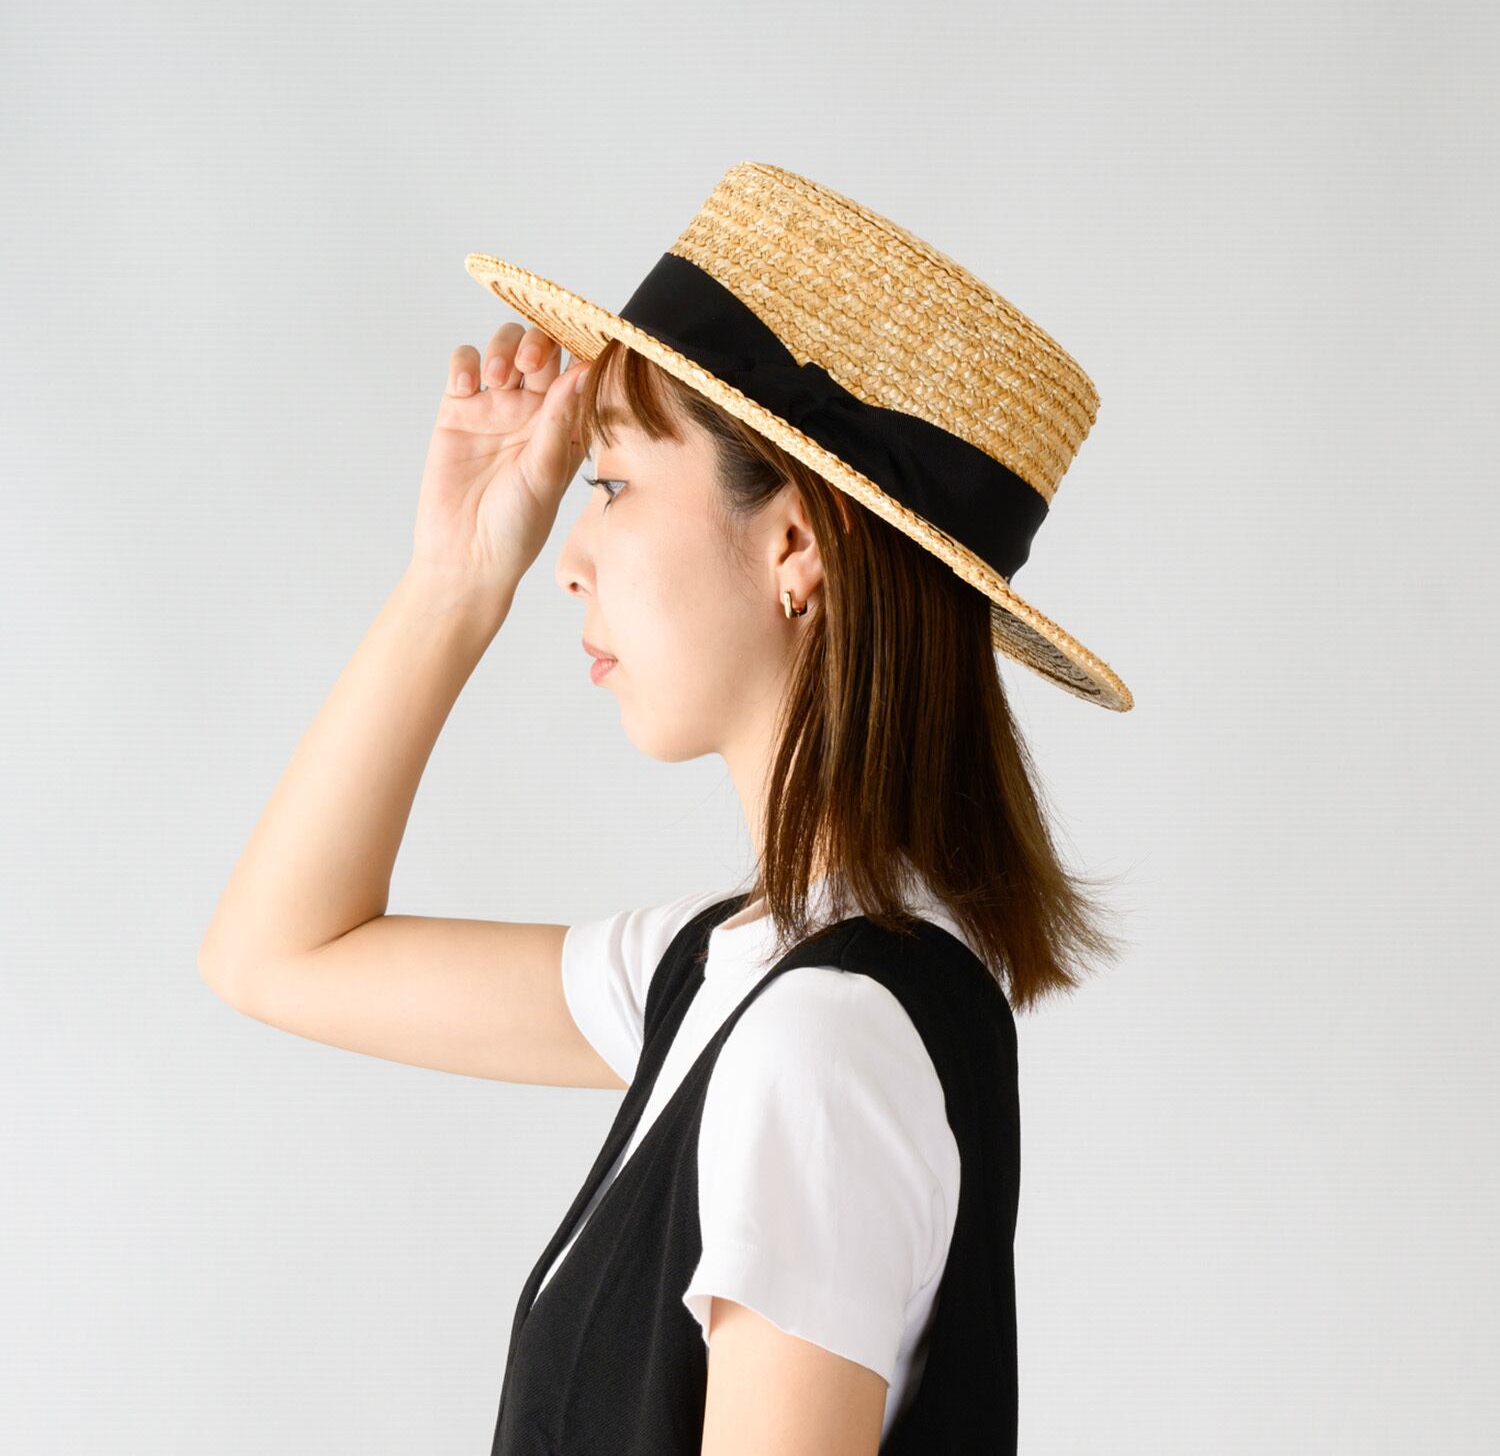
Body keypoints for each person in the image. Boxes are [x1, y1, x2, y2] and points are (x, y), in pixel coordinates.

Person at [198, 161, 1134, 1455]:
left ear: (795, 544)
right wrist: (456, 578)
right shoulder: (730, 972)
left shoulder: (821, 1039)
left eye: (612, 485)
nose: (568, 558)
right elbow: (277, 957)